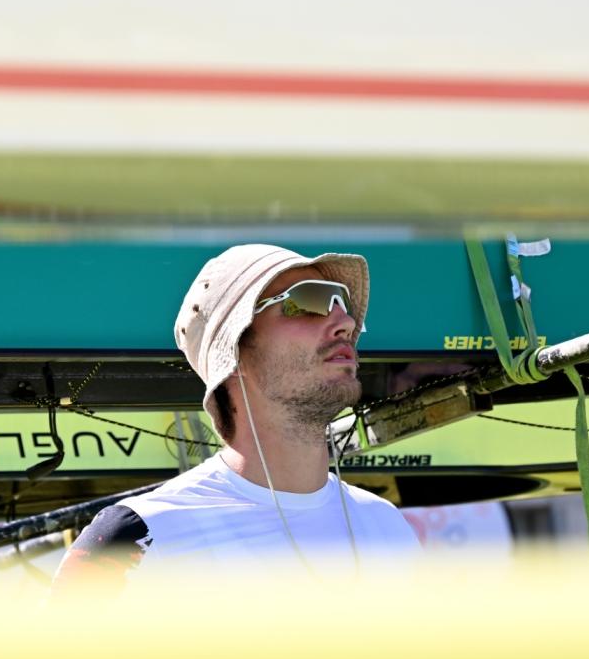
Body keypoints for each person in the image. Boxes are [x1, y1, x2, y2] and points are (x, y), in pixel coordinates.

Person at [53, 244, 420, 590]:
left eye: (343, 304)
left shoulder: (387, 525)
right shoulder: (141, 535)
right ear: (235, 351)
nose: (346, 322)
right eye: (308, 301)